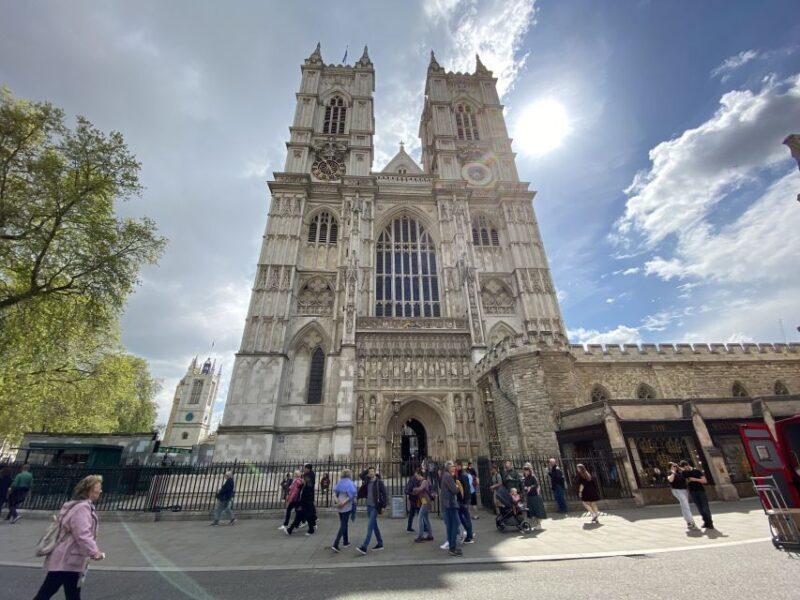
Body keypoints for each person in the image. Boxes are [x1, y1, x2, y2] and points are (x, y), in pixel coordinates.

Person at [32, 474, 105, 600]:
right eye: (98, 487)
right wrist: (95, 552)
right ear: (89, 490)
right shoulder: (82, 508)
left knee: (71, 593)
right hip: (68, 557)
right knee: (48, 593)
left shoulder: (76, 505)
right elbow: (82, 534)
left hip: (70, 557)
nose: (100, 490)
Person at [356, 467, 386, 555]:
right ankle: (380, 543)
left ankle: (364, 547)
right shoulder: (367, 480)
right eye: (370, 472)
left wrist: (383, 506)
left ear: (375, 472)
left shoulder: (379, 482)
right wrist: (367, 470)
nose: (372, 473)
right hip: (368, 506)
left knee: (369, 527)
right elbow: (360, 475)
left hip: (375, 507)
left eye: (373, 471)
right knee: (374, 526)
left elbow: (384, 493)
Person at [681, 460, 714, 530]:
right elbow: (685, 481)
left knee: (705, 508)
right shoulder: (684, 473)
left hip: (701, 491)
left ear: (688, 465)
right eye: (684, 467)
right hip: (692, 492)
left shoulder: (697, 471)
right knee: (700, 508)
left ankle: (710, 523)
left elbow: (704, 481)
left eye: (686, 466)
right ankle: (706, 522)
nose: (685, 468)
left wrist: (694, 479)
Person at [440, 461, 462, 556]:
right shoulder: (448, 476)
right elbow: (454, 490)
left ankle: (451, 547)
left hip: (446, 505)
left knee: (450, 526)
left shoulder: (445, 475)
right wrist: (457, 486)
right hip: (450, 505)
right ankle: (452, 547)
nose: (454, 468)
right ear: (448, 467)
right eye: (452, 466)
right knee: (456, 524)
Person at [331, 469, 356, 552]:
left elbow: (334, 492)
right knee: (344, 525)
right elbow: (351, 495)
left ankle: (346, 542)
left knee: (344, 523)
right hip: (346, 506)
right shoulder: (350, 483)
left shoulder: (339, 482)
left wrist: (338, 501)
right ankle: (336, 543)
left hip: (339, 505)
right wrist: (343, 502)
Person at [668, 462, 697, 530]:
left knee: (684, 505)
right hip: (677, 490)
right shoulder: (671, 473)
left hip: (684, 490)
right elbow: (670, 480)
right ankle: (691, 521)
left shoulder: (681, 472)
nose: (675, 467)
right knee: (686, 506)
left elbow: (687, 474)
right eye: (673, 466)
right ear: (670, 467)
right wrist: (673, 472)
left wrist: (678, 467)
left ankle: (688, 521)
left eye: (675, 466)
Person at [412, 469, 434, 542]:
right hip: (424, 501)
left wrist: (415, 489)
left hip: (426, 502)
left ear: (419, 474)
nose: (416, 477)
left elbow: (420, 489)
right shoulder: (421, 481)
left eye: (416, 476)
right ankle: (430, 535)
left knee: (420, 518)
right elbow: (419, 491)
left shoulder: (424, 481)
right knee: (426, 519)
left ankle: (420, 536)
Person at [455, 461, 474, 543]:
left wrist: (465, 501)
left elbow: (466, 488)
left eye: (456, 466)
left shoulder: (463, 475)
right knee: (461, 517)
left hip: (464, 500)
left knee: (465, 518)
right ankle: (469, 533)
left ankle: (469, 535)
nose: (455, 467)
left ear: (460, 466)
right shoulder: (460, 474)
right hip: (461, 499)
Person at [522, 463, 546, 530]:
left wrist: (530, 487)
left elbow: (536, 485)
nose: (525, 471)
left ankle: (539, 524)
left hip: (534, 496)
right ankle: (535, 524)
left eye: (526, 470)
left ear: (529, 470)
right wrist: (525, 488)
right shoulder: (526, 477)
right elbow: (524, 486)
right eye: (524, 470)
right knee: (531, 511)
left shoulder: (533, 476)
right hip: (529, 496)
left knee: (537, 510)